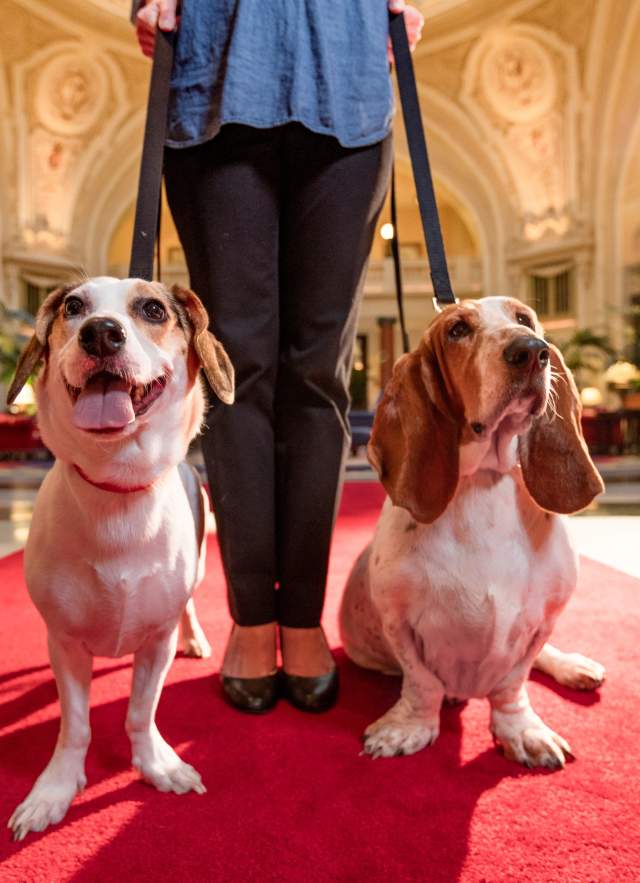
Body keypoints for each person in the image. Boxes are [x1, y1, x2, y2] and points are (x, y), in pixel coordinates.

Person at [135, 0, 424, 714]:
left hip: (348, 87)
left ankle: (302, 614)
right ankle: (251, 616)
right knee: (238, 370)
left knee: (319, 375)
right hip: (218, 78)